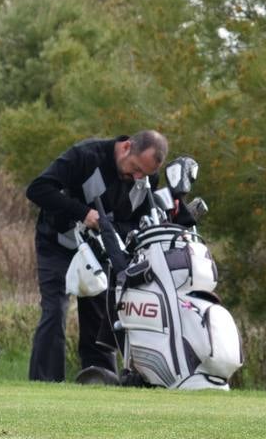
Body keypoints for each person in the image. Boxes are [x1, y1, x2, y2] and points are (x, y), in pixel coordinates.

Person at [26, 130, 168, 381]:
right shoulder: (85, 156)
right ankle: (45, 382)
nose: (137, 177)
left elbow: (137, 218)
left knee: (100, 316)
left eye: (144, 174)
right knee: (55, 310)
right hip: (58, 243)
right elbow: (38, 189)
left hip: (100, 249)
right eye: (136, 168)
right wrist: (83, 213)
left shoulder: (145, 178)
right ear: (126, 148)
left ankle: (100, 380)